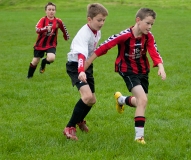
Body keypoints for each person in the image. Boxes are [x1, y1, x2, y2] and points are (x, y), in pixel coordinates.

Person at [81, 8, 166, 144]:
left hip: (143, 71)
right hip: (127, 70)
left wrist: (160, 67)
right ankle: (139, 137)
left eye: (152, 24)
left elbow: (154, 52)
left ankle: (121, 100)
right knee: (143, 100)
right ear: (138, 20)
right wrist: (84, 67)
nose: (150, 27)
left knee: (140, 102)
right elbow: (104, 47)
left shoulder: (148, 36)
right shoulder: (124, 35)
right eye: (148, 23)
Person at [63, 3, 108, 140]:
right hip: (76, 65)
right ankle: (69, 127)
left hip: (86, 66)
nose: (101, 23)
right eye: (99, 20)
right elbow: (81, 54)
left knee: (92, 100)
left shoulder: (97, 31)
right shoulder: (84, 33)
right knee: (87, 96)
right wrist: (81, 70)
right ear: (89, 19)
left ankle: (79, 120)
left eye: (104, 20)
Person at [27, 2, 69, 78]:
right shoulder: (43, 20)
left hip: (51, 44)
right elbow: (37, 29)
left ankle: (44, 62)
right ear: (45, 11)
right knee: (35, 61)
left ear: (55, 11)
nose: (51, 11)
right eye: (49, 9)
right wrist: (45, 28)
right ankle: (29, 77)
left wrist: (66, 36)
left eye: (53, 9)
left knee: (51, 58)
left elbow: (64, 29)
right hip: (40, 44)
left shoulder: (58, 21)